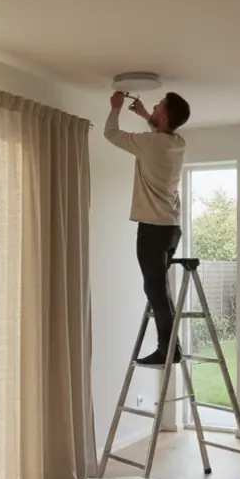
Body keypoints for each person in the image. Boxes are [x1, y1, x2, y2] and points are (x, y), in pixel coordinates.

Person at [103, 90, 192, 365]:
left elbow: (111, 133)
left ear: (163, 115)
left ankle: (167, 349)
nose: (154, 106)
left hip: (152, 229)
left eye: (158, 106)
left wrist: (115, 107)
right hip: (170, 228)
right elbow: (158, 134)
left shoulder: (152, 143)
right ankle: (171, 346)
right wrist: (145, 114)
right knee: (159, 290)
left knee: (155, 292)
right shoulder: (177, 142)